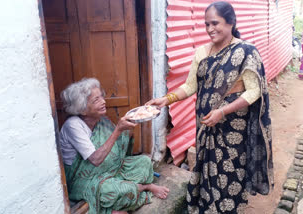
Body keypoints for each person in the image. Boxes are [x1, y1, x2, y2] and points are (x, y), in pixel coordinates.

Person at [146, 1, 273, 213]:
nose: (209, 29)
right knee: (207, 168)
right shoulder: (202, 52)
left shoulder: (246, 52)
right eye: (206, 24)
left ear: (231, 22)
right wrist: (165, 99)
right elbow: (190, 86)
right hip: (206, 123)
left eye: (215, 23)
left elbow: (255, 91)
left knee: (230, 172)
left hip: (232, 127)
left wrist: (223, 111)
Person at [59, 78, 169, 214]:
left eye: (101, 97)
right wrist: (118, 130)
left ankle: (115, 204)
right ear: (82, 110)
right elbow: (96, 159)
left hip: (108, 169)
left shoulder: (100, 119)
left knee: (144, 163)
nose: (103, 102)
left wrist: (127, 127)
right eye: (96, 100)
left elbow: (119, 147)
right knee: (114, 190)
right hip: (82, 179)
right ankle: (145, 188)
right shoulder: (73, 125)